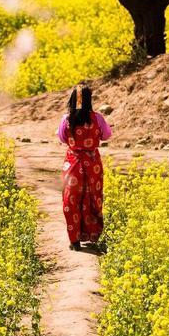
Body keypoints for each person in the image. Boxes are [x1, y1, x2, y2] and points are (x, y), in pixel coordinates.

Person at [56, 84, 112, 251]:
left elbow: (62, 138)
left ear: (73, 99)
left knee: (71, 199)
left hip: (73, 162)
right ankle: (91, 236)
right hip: (92, 162)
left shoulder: (66, 119)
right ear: (88, 100)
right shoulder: (98, 118)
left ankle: (75, 241)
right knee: (92, 197)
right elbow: (107, 135)